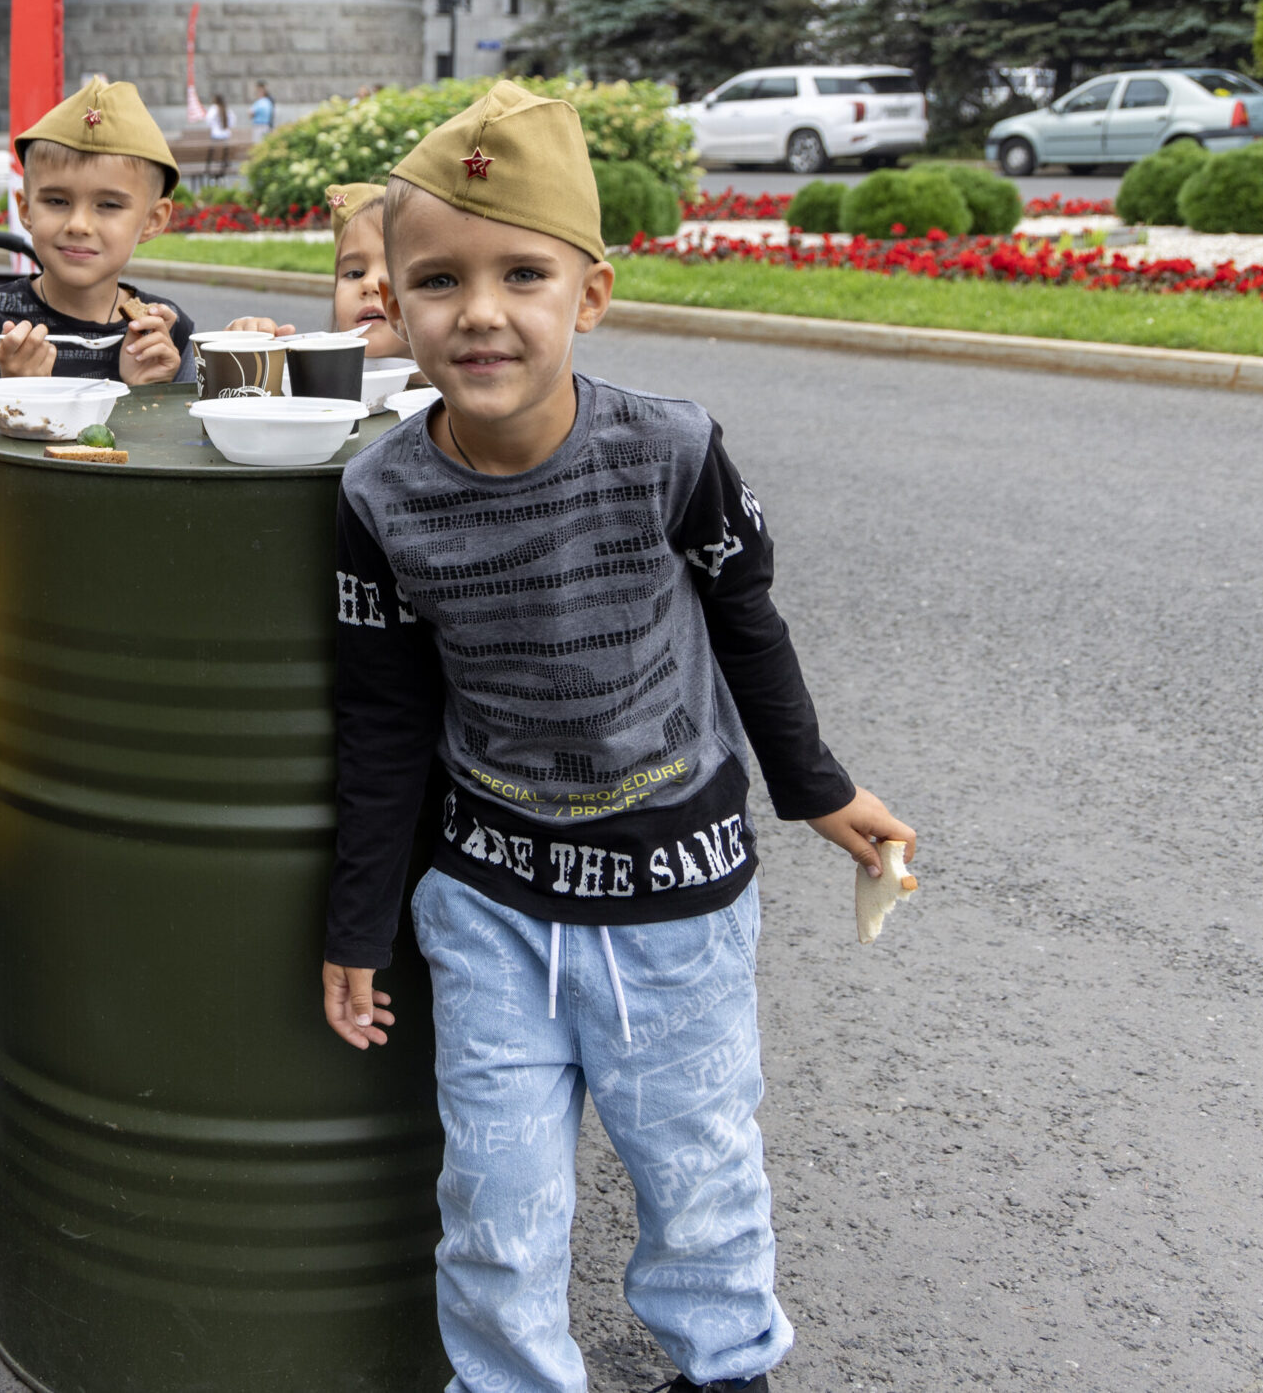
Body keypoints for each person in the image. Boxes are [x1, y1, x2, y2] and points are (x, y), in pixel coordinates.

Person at [319, 82, 919, 1393]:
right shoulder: (378, 494)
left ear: (588, 295)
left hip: (677, 900)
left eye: (521, 273)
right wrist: (358, 924)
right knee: (496, 1200)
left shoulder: (671, 452)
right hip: (487, 901)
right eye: (438, 279)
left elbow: (747, 624)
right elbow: (385, 719)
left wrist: (818, 790)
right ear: (390, 303)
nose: (480, 311)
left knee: (698, 1176)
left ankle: (726, 1369)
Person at [0, 77, 194, 518]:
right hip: (17, 550)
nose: (79, 224)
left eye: (108, 205)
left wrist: (144, 399)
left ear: (153, 220)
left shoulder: (166, 334)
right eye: (56, 200)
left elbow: (181, 484)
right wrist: (17, 402)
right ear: (25, 210)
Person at [218, 181, 408, 364]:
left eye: (391, 269)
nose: (369, 284)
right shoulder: (312, 381)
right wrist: (246, 343)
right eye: (354, 273)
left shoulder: (436, 392)